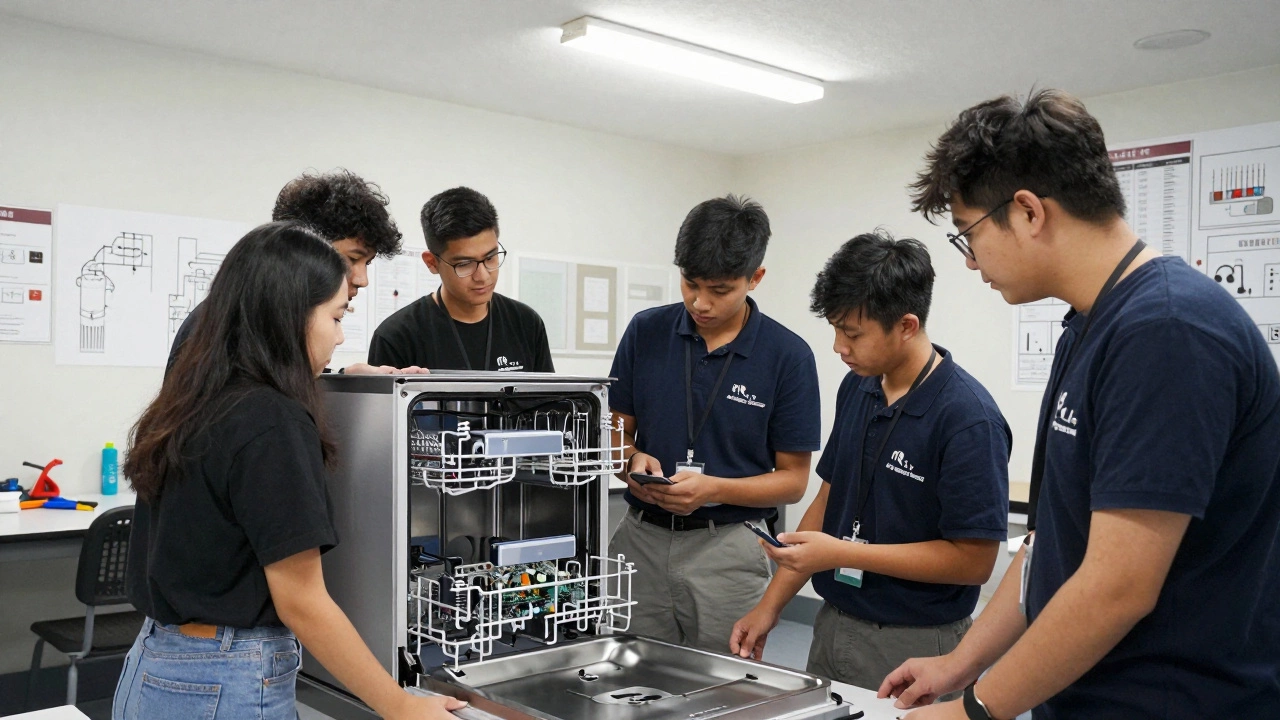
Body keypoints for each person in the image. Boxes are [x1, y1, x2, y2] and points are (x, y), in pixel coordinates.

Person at [879, 90, 1280, 719]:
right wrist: (962, 664)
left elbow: (1117, 588)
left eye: (969, 236)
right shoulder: (1090, 326)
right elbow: (1050, 542)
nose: (971, 262)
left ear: (1030, 211)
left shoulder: (1167, 330)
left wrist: (971, 712)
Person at [116, 223, 464, 720]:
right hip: (225, 679)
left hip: (156, 665)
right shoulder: (272, 420)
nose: (340, 337)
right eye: (337, 316)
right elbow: (302, 601)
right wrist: (401, 706)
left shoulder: (197, 395)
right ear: (289, 316)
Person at [729, 231, 1010, 696]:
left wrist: (841, 553)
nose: (839, 347)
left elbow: (974, 561)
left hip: (917, 644)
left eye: (853, 333)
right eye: (836, 329)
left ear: (905, 325)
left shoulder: (967, 418)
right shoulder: (859, 386)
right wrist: (770, 606)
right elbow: (829, 494)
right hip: (834, 624)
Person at [607, 195, 821, 652]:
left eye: (720, 290)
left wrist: (713, 489)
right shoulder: (646, 331)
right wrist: (630, 459)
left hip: (728, 547)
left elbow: (793, 482)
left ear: (755, 278)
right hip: (640, 539)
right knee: (626, 675)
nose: (700, 302)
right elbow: (613, 432)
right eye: (690, 283)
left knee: (728, 686)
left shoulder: (788, 356)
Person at [167, 168, 413, 375]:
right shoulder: (234, 327)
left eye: (367, 263)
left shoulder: (264, 320)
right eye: (351, 259)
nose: (362, 280)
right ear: (302, 248)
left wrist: (346, 381)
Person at [368, 187, 553, 372]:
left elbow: (551, 400)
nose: (483, 276)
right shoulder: (397, 337)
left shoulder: (526, 323)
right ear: (432, 263)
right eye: (465, 264)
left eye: (490, 258)